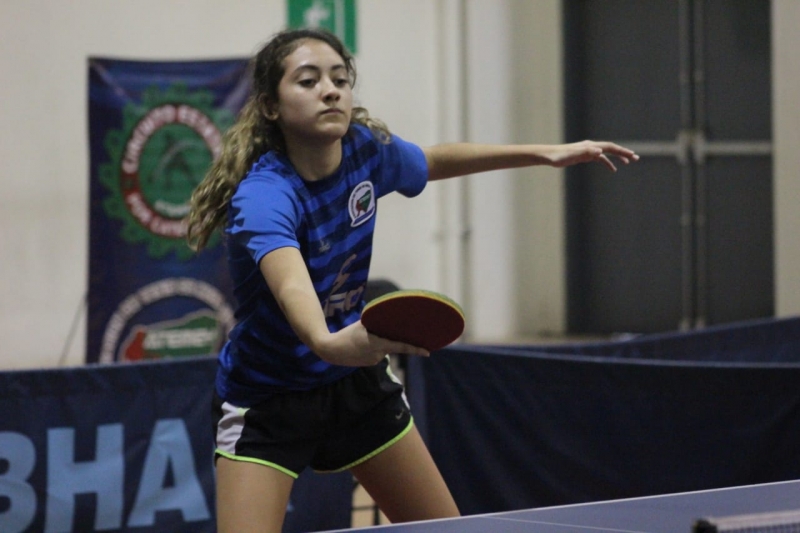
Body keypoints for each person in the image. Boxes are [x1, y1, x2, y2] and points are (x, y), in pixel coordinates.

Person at [186, 27, 638, 533]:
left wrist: (544, 153)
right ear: (271, 106)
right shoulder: (264, 197)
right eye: (309, 81)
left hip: (353, 381)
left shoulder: (364, 151)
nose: (330, 90)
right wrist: (327, 341)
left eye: (340, 78)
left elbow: (434, 158)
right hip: (267, 396)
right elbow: (291, 283)